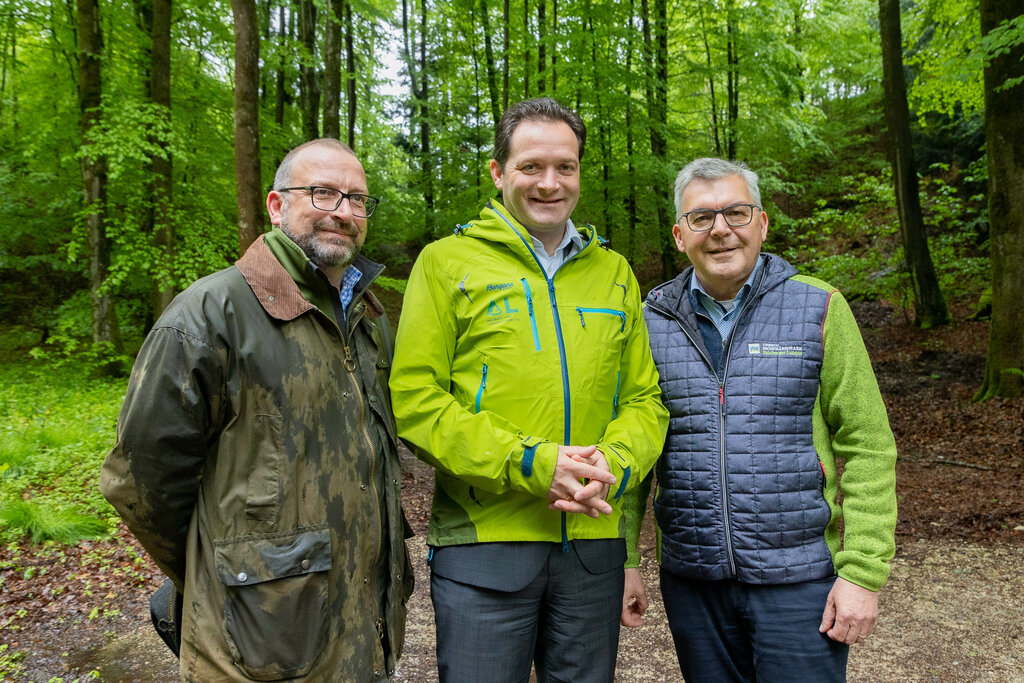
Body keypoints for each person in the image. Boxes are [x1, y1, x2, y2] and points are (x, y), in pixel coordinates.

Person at [100, 139, 413, 682]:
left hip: (364, 635)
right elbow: (140, 481)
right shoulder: (209, 315)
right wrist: (219, 572)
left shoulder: (369, 318)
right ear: (276, 205)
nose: (342, 211)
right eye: (321, 193)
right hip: (255, 647)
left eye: (356, 199)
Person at [389, 97, 668, 682]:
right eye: (531, 166)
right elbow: (416, 404)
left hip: (593, 545)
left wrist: (610, 463)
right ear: (497, 172)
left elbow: (644, 401)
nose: (550, 183)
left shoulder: (613, 272)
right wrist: (533, 463)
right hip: (484, 545)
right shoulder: (445, 264)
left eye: (565, 167)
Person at [622, 157, 898, 682]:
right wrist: (624, 558)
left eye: (736, 212)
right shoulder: (649, 323)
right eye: (702, 218)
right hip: (693, 582)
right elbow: (634, 450)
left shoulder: (819, 308)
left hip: (801, 580)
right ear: (680, 235)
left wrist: (862, 573)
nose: (720, 229)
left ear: (763, 223)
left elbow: (868, 445)